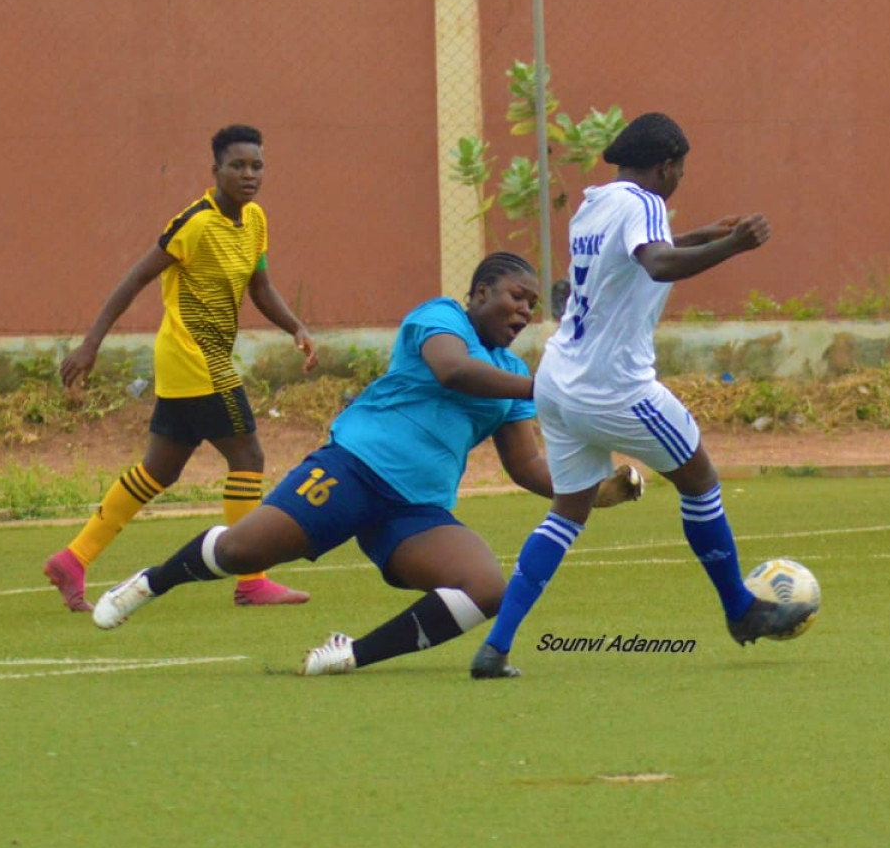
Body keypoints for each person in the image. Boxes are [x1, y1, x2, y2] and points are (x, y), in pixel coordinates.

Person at [89, 253, 642, 675]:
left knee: (486, 588)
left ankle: (350, 654)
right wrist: (546, 389)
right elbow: (452, 371)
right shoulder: (440, 317)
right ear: (478, 293)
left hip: (415, 509)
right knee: (240, 551)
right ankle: (150, 582)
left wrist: (595, 490)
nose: (523, 311)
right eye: (514, 297)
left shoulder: (513, 372)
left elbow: (525, 466)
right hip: (353, 468)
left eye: (530, 305)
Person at [471, 112, 816, 679]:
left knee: (568, 511)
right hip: (615, 387)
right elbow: (655, 263)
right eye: (680, 170)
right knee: (700, 480)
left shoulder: (596, 204)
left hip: (558, 380)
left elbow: (636, 260)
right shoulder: (646, 203)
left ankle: (496, 647)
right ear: (667, 165)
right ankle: (739, 609)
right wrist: (733, 245)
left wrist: (707, 234)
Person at [44, 124, 318, 613]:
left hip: (191, 364)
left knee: (160, 469)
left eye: (256, 165)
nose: (249, 174)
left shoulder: (254, 220)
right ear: (215, 172)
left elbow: (260, 286)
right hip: (196, 359)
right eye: (237, 165)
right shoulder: (194, 223)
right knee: (249, 456)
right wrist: (90, 346)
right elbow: (133, 281)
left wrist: (295, 326)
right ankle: (251, 580)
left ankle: (73, 558)